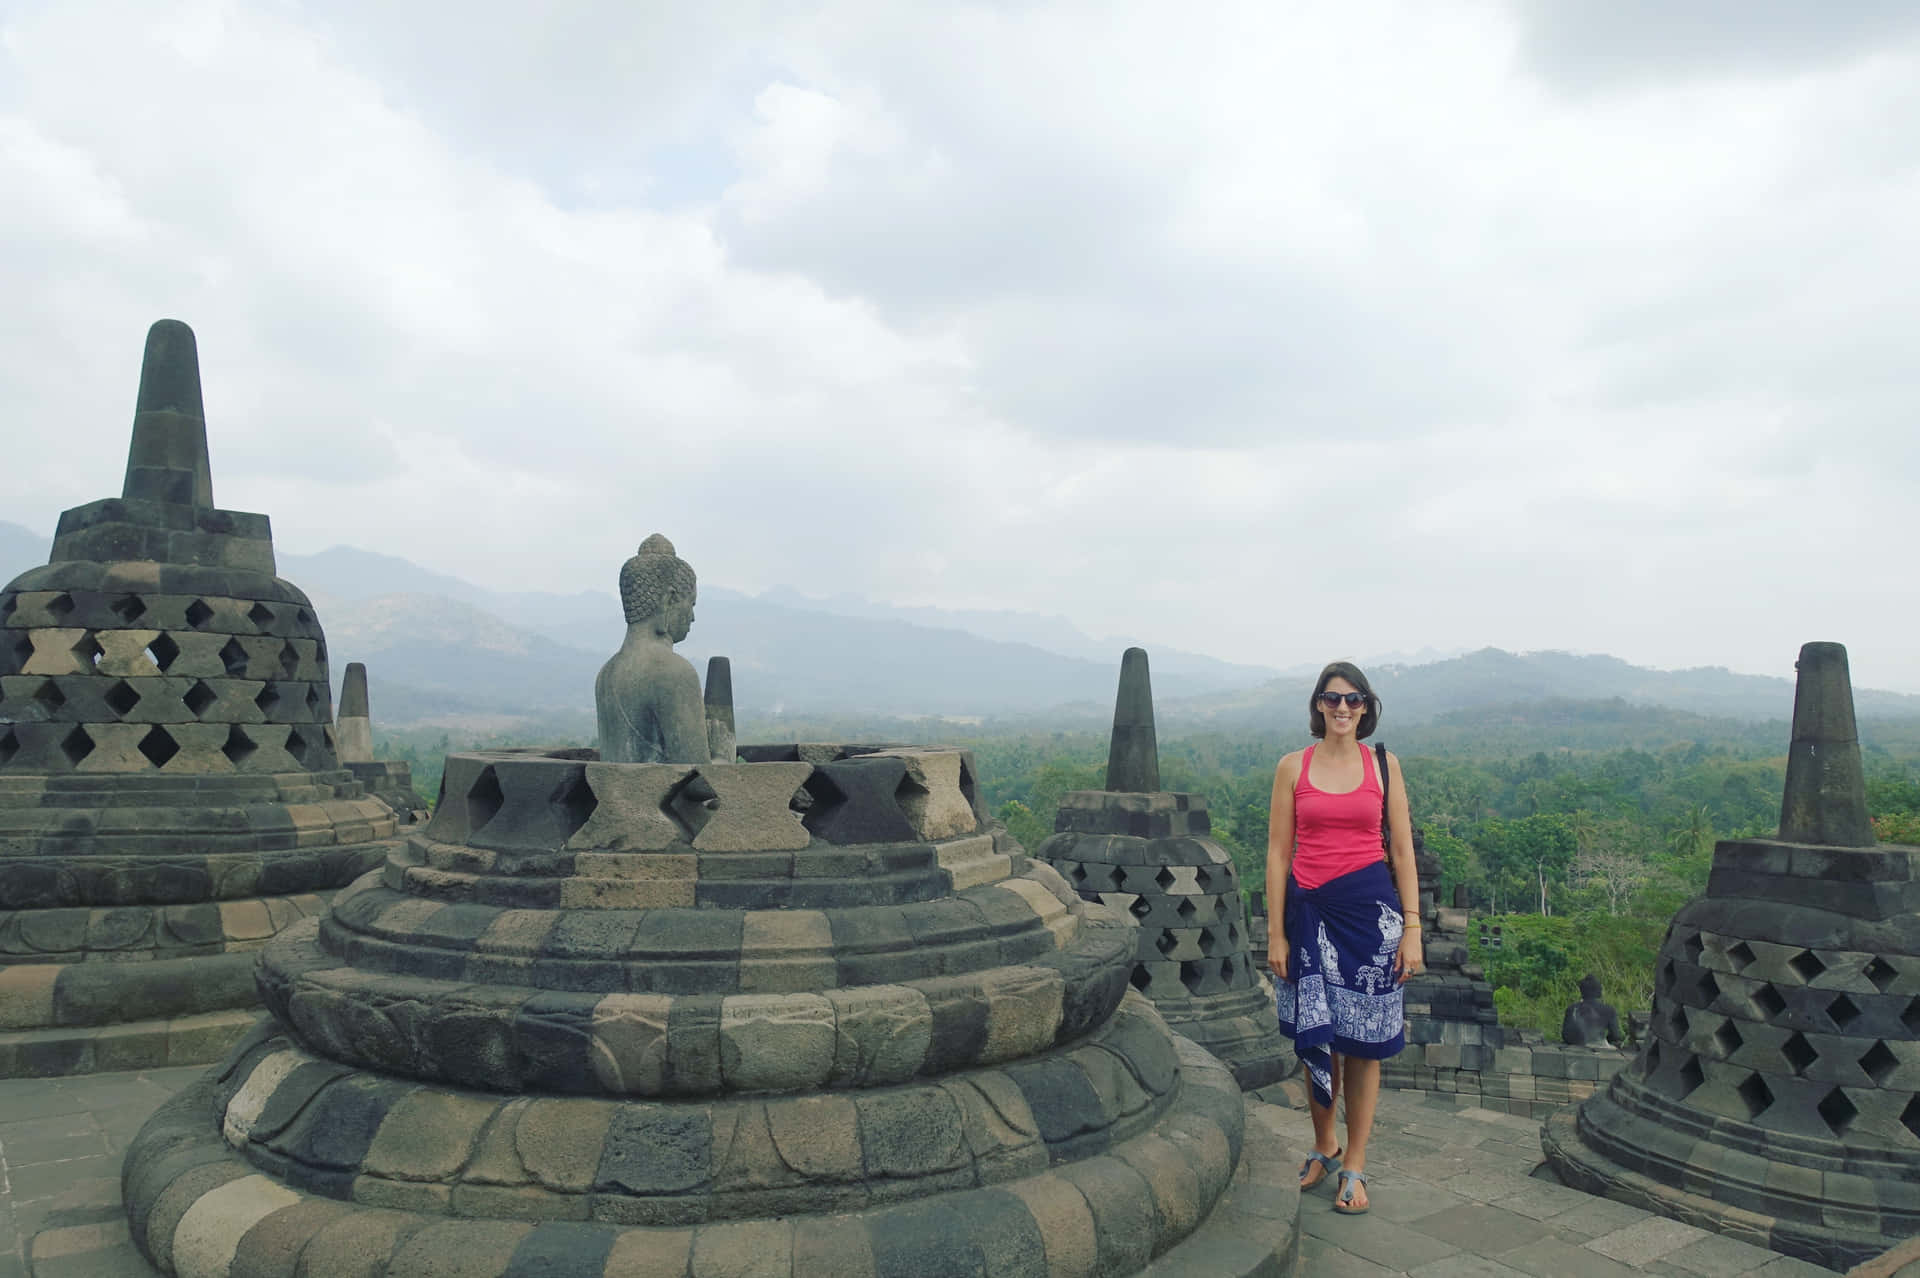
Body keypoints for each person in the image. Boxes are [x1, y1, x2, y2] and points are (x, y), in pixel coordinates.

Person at [1267, 661, 1422, 1215]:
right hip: (1307, 916)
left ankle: (1354, 1164)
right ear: (1317, 705)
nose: (1342, 709)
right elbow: (1278, 854)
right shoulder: (1293, 767)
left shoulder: (1383, 766)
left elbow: (1402, 851)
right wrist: (1276, 934)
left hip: (1371, 918)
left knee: (1364, 1046)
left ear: (1366, 708)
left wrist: (1412, 928)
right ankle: (1324, 1145)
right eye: (1332, 699)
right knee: (1318, 1037)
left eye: (1353, 700)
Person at [595, 534, 712, 764]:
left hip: (613, 798)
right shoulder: (673, 672)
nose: (693, 617)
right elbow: (700, 783)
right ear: (668, 600)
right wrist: (723, 754)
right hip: (658, 800)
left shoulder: (606, 673)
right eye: (691, 604)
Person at [1561, 974, 1624, 1048]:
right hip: (1599, 1048)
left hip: (1574, 1048)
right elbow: (1616, 1036)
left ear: (1581, 991)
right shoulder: (1609, 1010)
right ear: (1599, 992)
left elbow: (1566, 1035)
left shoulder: (1571, 1009)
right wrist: (1605, 1039)